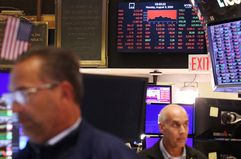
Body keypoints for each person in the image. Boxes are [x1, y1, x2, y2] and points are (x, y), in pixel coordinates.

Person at [9, 47, 141, 159]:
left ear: (65, 94)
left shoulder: (113, 155)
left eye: (24, 94)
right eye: (13, 97)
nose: (15, 108)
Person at [139, 104, 207, 159]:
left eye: (185, 124)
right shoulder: (141, 157)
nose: (183, 131)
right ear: (162, 127)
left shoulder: (199, 157)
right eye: (175, 125)